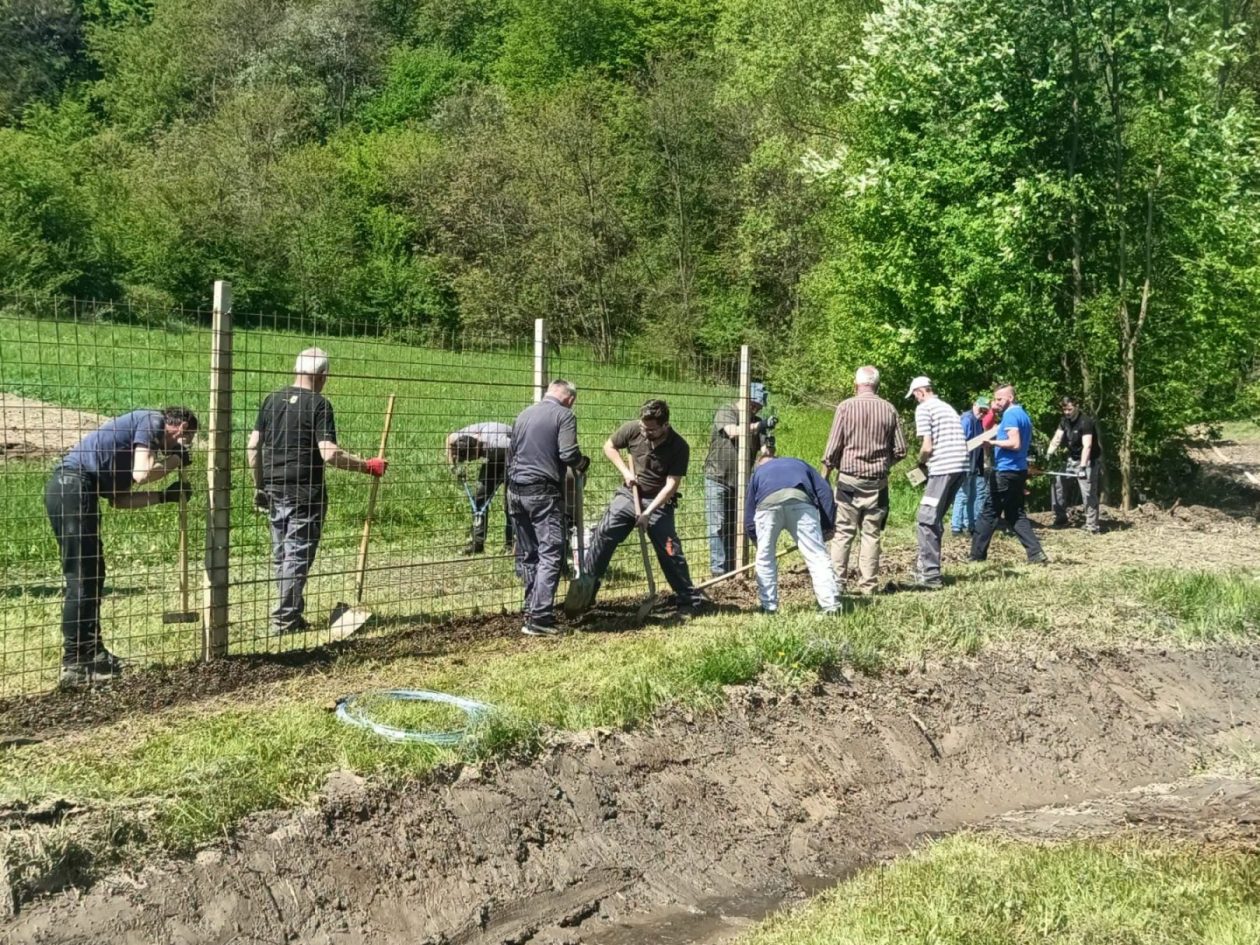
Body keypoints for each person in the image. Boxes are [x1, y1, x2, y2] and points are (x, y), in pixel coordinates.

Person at [46, 406, 197, 687]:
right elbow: (142, 474)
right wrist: (175, 462)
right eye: (185, 441)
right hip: (71, 485)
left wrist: (165, 496)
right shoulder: (152, 420)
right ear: (181, 429)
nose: (180, 446)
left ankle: (94, 653)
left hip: (77, 490)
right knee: (82, 577)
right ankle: (74, 665)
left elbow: (121, 500)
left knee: (93, 574)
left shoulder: (128, 451)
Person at [247, 348, 387, 635]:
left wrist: (259, 485)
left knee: (282, 555)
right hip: (304, 491)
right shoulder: (319, 405)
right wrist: (367, 466)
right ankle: (283, 622)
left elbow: (252, 448)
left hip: (274, 487)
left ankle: (291, 615)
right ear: (323, 376)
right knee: (296, 556)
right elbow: (330, 454)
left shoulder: (271, 400)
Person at [585, 399, 705, 615]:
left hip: (659, 501)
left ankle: (689, 600)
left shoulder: (679, 446)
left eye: (650, 429)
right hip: (629, 494)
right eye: (643, 426)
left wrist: (648, 514)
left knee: (670, 549)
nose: (645, 431)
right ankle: (586, 591)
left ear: (665, 426)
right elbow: (609, 446)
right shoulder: (633, 429)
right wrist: (625, 472)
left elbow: (671, 485)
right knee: (604, 533)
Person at [506, 380, 589, 636]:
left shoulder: (524, 414)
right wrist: (583, 463)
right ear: (570, 399)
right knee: (551, 552)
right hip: (543, 492)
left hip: (515, 491)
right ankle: (540, 618)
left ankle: (530, 609)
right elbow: (568, 454)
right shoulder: (564, 416)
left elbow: (512, 453)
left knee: (529, 553)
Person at [820, 366, 908, 595]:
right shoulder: (889, 409)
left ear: (855, 384)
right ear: (877, 385)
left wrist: (824, 479)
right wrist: (884, 465)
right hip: (877, 484)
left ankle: (837, 585)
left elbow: (831, 450)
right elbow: (901, 450)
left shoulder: (845, 407)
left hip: (848, 482)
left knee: (843, 534)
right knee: (871, 535)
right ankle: (868, 585)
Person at [745, 454, 838, 614]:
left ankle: (769, 608)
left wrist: (756, 539)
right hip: (800, 501)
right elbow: (824, 491)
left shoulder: (758, 473)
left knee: (765, 558)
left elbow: (748, 513)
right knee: (816, 556)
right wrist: (827, 527)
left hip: (767, 505)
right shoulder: (799, 463)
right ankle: (830, 606)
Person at [969, 384, 1049, 565]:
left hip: (1006, 471)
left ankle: (976, 556)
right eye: (995, 399)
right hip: (1018, 470)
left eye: (999, 399)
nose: (996, 403)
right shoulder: (1023, 415)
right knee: (1015, 514)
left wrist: (992, 442)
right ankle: (1036, 553)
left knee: (988, 513)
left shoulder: (1011, 415)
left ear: (1010, 398)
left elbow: (1015, 443)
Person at [702, 382, 774, 577]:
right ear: (744, 398)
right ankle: (719, 572)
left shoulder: (756, 422)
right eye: (752, 404)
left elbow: (765, 455)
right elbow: (732, 432)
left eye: (758, 407)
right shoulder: (727, 411)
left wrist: (769, 443)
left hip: (742, 483)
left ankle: (734, 570)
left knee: (736, 527)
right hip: (717, 477)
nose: (755, 409)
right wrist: (759, 425)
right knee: (718, 526)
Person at [907, 377, 968, 589]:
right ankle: (925, 566)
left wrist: (920, 464)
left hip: (942, 468)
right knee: (935, 517)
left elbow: (927, 446)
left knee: (926, 519)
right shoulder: (947, 407)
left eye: (915, 395)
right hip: (960, 467)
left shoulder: (924, 409)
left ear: (921, 392)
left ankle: (930, 574)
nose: (915, 399)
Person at [446, 422, 514, 554]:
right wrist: (453, 467)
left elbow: (521, 447)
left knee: (510, 502)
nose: (470, 461)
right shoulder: (464, 436)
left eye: (471, 457)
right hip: (494, 459)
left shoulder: (498, 442)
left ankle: (511, 545)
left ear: (477, 447)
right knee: (479, 498)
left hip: (513, 457)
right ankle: (477, 544)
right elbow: (449, 439)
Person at [1046, 395, 1104, 534]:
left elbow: (1087, 446)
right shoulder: (1064, 421)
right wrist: (1049, 453)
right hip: (1071, 459)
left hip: (1088, 460)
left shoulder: (1086, 422)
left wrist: (1083, 467)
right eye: (1064, 409)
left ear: (1076, 406)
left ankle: (1091, 526)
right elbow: (1057, 438)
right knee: (1058, 483)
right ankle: (1060, 517)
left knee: (1088, 492)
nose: (1067, 412)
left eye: (1070, 409)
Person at [951, 395, 991, 536]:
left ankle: (970, 525)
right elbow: (960, 443)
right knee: (962, 496)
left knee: (973, 496)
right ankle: (956, 526)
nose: (982, 413)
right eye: (981, 409)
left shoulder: (979, 423)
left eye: (985, 412)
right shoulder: (966, 419)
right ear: (975, 405)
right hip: (964, 464)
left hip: (975, 464)